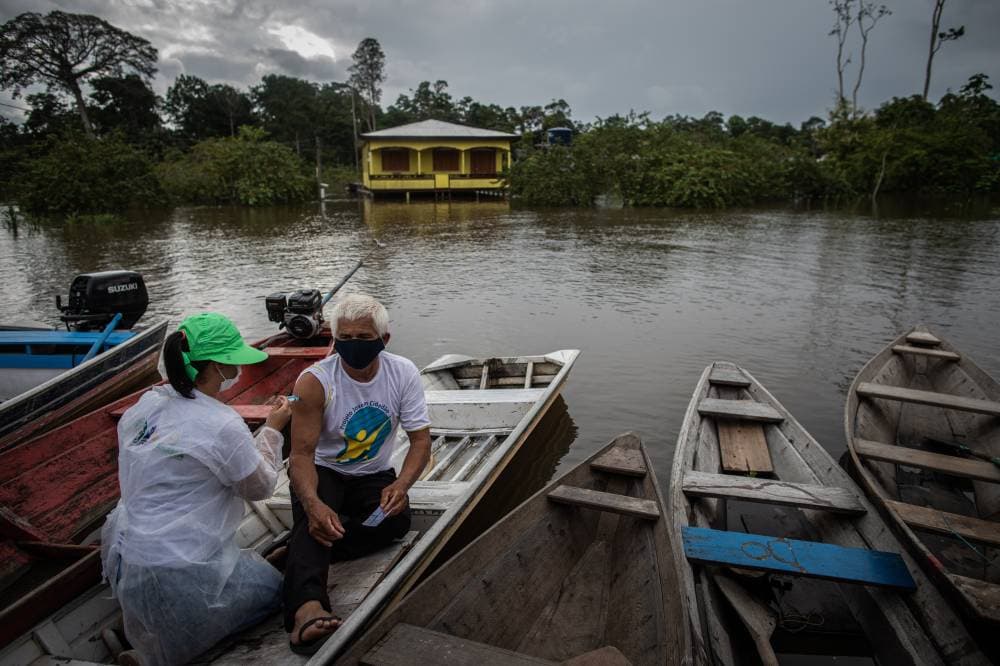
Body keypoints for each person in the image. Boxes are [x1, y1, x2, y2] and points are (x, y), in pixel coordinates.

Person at [100, 313, 292, 666]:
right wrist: (272, 429)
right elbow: (261, 486)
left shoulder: (141, 409)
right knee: (278, 595)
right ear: (217, 366)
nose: (235, 371)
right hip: (181, 567)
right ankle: (156, 656)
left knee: (168, 615)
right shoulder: (221, 423)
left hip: (128, 559)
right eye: (231, 364)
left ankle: (145, 639)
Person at [283, 294, 431, 655]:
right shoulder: (313, 382)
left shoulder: (403, 372)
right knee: (316, 522)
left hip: (373, 474)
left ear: (384, 340)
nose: (354, 346)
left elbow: (420, 441)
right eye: (345, 337)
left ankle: (292, 554)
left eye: (364, 338)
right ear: (334, 339)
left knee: (394, 524)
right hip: (325, 470)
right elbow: (300, 455)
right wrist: (313, 503)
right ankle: (307, 609)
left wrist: (401, 485)